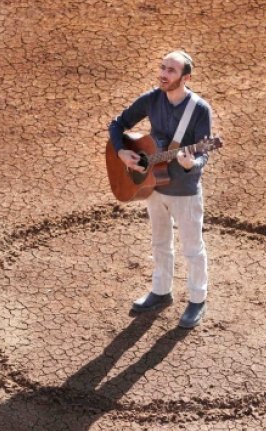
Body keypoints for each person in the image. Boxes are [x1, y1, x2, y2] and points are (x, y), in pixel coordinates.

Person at [108, 50, 213, 329]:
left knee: (192, 249)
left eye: (171, 71)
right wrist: (121, 152)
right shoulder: (152, 99)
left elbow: (204, 152)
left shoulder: (199, 109)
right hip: (154, 185)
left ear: (185, 77)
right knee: (159, 243)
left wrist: (192, 163)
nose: (163, 74)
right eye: (163, 68)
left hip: (185, 191)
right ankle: (161, 291)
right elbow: (117, 124)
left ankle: (197, 299)